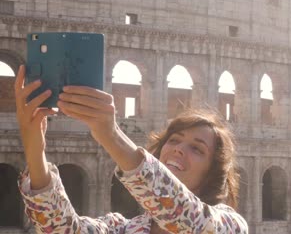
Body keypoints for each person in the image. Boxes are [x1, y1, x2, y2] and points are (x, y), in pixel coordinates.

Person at [14, 65, 248, 233]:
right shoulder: (124, 228)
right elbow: (62, 229)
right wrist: (35, 148)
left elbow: (188, 220)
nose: (178, 149)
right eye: (174, 140)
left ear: (212, 172)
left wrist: (111, 134)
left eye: (197, 149)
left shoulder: (229, 225)